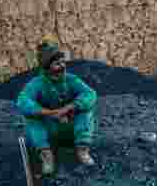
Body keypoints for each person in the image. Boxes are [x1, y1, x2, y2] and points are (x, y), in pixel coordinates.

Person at [15, 39, 98, 176]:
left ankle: (82, 149)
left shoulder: (71, 80)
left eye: (63, 62)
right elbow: (23, 101)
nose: (62, 66)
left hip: (70, 129)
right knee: (31, 118)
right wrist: (49, 113)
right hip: (50, 131)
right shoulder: (36, 84)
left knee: (86, 110)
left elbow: (90, 94)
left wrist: (70, 107)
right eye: (57, 64)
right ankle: (47, 156)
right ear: (46, 67)